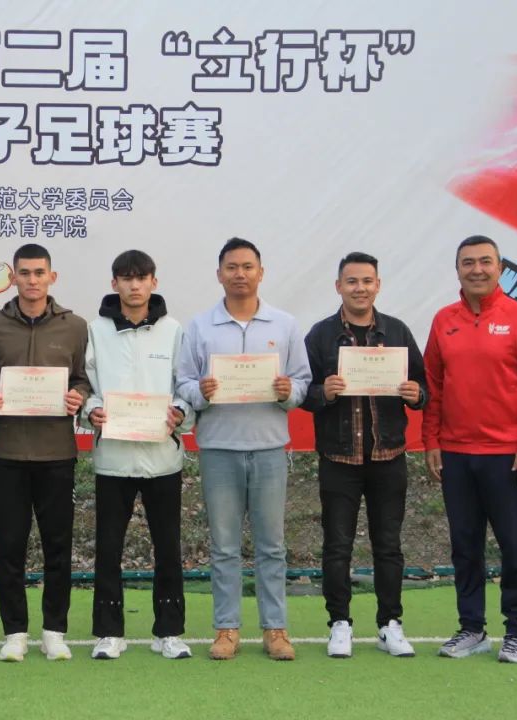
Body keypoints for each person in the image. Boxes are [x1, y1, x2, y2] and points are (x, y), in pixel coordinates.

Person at [175, 237, 311, 661]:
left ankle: (275, 629)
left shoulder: (284, 325)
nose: (240, 274)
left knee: (272, 546)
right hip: (219, 448)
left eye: (247, 267)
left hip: (269, 448)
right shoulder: (200, 326)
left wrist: (288, 392)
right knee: (224, 546)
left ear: (260, 273)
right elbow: (182, 383)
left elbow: (303, 382)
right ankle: (227, 628)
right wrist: (200, 391)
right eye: (231, 267)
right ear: (219, 274)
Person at [423, 235, 517, 664]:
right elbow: (434, 387)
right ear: (457, 269)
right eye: (468, 263)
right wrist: (432, 441)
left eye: (485, 262)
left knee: (515, 547)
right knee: (465, 546)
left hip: (508, 456)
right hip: (457, 455)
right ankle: (472, 628)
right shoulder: (444, 320)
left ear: (500, 268)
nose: (476, 269)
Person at [302, 251, 428, 659]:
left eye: (367, 281)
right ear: (338, 286)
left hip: (388, 455)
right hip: (339, 458)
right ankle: (339, 623)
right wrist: (323, 392)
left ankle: (390, 624)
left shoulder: (397, 331)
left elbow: (424, 387)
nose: (360, 288)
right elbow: (302, 393)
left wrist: (416, 395)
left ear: (378, 285)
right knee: (337, 546)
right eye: (352, 281)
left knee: (388, 545)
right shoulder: (320, 336)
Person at [81, 250, 195, 661]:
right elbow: (86, 384)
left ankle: (169, 631)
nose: (134, 285)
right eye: (126, 278)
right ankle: (109, 632)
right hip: (113, 458)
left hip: (162, 458)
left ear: (153, 282)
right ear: (114, 283)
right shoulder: (95, 330)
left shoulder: (174, 330)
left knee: (168, 546)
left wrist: (180, 412)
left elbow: (186, 385)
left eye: (141, 277)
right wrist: (91, 410)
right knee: (108, 547)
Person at [0, 243, 90, 662]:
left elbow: (83, 379)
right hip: (7, 454)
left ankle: (54, 630)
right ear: (13, 277)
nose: (32, 280)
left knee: (57, 546)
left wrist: (78, 395)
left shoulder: (74, 326)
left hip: (56, 454)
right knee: (9, 547)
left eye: (39, 272)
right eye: (24, 273)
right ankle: (15, 632)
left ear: (51, 277)